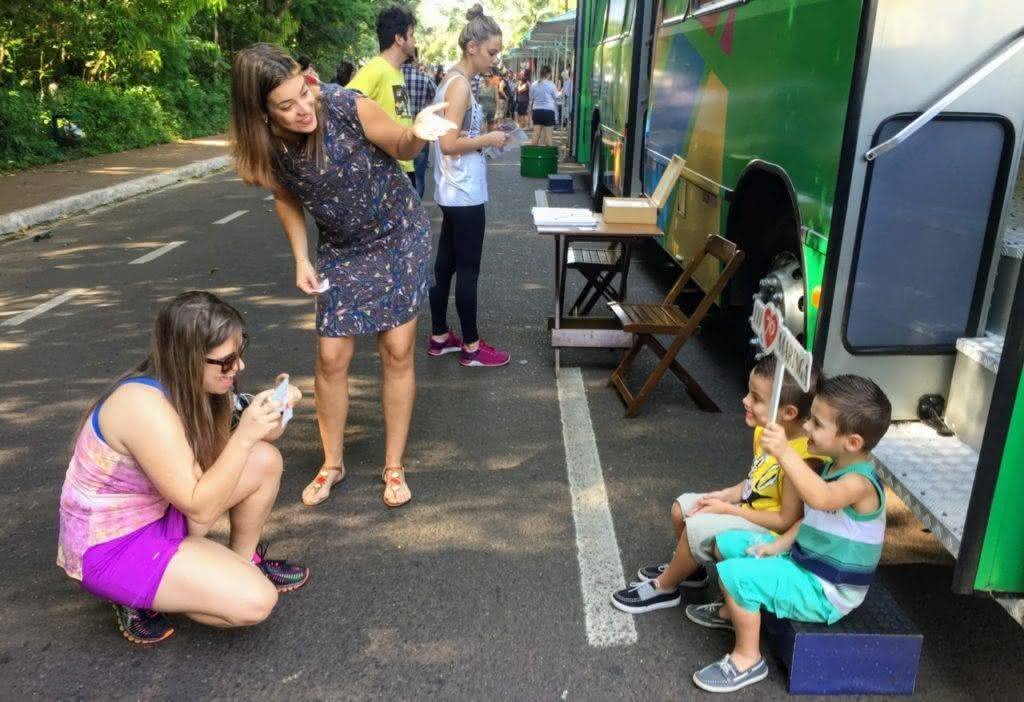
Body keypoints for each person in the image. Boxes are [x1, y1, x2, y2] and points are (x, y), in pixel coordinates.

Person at [230, 44, 454, 508]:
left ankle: (393, 464)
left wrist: (417, 133)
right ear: (261, 113)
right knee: (331, 357)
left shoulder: (345, 106)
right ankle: (332, 463)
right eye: (287, 105)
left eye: (304, 92)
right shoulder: (269, 145)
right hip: (342, 248)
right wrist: (300, 257)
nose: (303, 108)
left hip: (398, 235)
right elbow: (286, 197)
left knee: (397, 351)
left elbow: (400, 145)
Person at [56, 291, 309, 645]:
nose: (239, 367)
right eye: (227, 360)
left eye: (240, 351)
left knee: (266, 460)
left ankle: (241, 563)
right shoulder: (142, 406)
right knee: (256, 601)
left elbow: (262, 439)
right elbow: (201, 505)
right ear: (188, 358)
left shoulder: (200, 384)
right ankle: (135, 595)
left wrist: (279, 407)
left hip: (165, 509)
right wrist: (244, 437)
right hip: (114, 545)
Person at [687, 375, 892, 693]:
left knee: (736, 576)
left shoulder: (860, 484)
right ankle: (732, 613)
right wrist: (778, 545)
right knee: (726, 544)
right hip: (802, 560)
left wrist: (785, 452)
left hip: (826, 590)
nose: (807, 426)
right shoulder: (833, 466)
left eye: (817, 423)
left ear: (852, 442)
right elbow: (811, 519)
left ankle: (747, 659)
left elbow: (821, 499)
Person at [611, 355, 821, 613]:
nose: (745, 400)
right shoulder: (764, 432)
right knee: (683, 508)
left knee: (697, 525)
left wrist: (729, 510)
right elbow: (755, 482)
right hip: (747, 511)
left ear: (788, 413)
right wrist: (725, 495)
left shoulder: (799, 460)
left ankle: (665, 588)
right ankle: (691, 571)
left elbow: (785, 521)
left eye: (756, 398)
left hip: (770, 532)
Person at [427, 4, 512, 368]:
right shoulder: (460, 85)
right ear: (472, 47)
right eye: (492, 52)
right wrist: (488, 140)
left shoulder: (452, 80)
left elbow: (452, 136)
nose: (495, 59)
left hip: (453, 189)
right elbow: (448, 144)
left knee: (445, 265)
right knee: (467, 270)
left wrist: (482, 139)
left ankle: (440, 336)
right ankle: (473, 348)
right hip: (463, 191)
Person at [347, 6, 419, 188]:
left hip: (403, 166)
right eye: (411, 35)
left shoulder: (395, 71)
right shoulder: (375, 68)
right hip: (385, 172)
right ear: (399, 39)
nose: (414, 41)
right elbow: (344, 105)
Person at [402, 49, 437, 198]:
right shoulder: (424, 78)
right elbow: (437, 98)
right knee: (418, 176)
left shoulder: (394, 77)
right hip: (420, 133)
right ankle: (416, 207)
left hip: (398, 133)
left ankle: (402, 206)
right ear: (414, 58)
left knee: (399, 175)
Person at [530, 65, 558, 146]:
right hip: (548, 111)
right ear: (549, 74)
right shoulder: (552, 85)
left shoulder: (534, 84)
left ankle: (533, 153)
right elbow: (556, 97)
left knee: (536, 135)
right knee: (548, 138)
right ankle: (548, 154)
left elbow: (531, 98)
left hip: (537, 111)